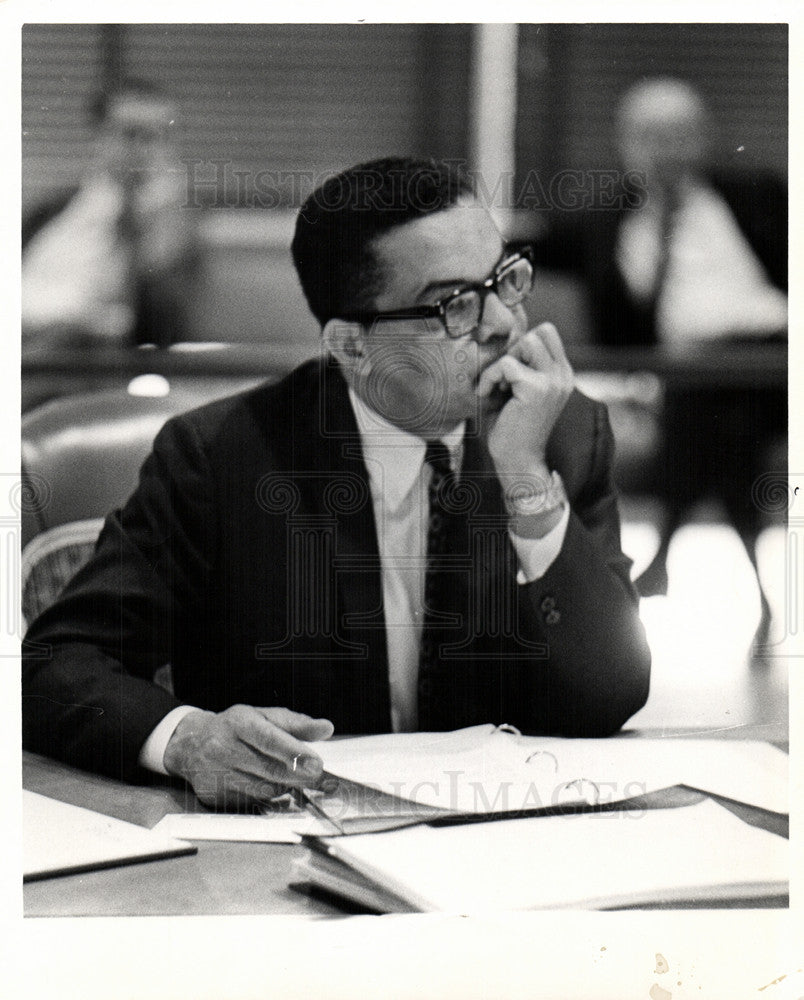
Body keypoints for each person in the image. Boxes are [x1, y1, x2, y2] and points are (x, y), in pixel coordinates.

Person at [22, 157, 651, 809]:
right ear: (352, 348)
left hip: (499, 845)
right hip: (286, 848)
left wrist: (527, 482)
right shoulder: (222, 457)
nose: (501, 323)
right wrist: (187, 739)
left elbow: (610, 695)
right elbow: (55, 664)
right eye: (455, 304)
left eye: (503, 280)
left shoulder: (562, 434)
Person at [531, 78, 787, 600]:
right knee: (713, 422)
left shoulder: (759, 196)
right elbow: (514, 242)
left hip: (771, 365)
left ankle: (663, 558)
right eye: (650, 135)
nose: (666, 150)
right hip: (688, 379)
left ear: (705, 138)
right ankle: (754, 589)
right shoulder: (604, 222)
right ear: (625, 142)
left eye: (680, 134)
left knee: (705, 413)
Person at [22, 78, 199, 348]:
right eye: (131, 134)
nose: (145, 149)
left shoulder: (173, 224)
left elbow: (156, 320)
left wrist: (150, 216)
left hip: (87, 357)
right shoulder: (53, 209)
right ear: (99, 137)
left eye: (159, 136)